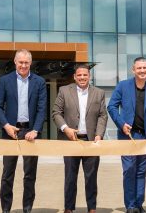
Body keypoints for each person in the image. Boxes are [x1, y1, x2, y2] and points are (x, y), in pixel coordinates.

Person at [107, 57, 146, 213]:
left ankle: (139, 204)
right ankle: (131, 206)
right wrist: (121, 123)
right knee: (129, 170)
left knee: (141, 171)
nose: (142, 70)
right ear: (133, 70)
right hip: (128, 136)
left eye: (144, 68)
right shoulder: (123, 86)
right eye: (139, 68)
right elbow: (112, 106)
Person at [0, 49, 46, 213]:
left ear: (30, 63)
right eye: (21, 62)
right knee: (7, 174)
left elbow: (42, 109)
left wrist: (36, 130)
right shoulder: (5, 80)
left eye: (26, 62)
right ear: (15, 62)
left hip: (31, 133)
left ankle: (27, 209)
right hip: (10, 132)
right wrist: (6, 126)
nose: (23, 65)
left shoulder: (39, 82)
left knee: (30, 175)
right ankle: (6, 209)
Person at [52, 64, 108, 213]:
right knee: (70, 177)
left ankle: (92, 208)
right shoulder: (64, 91)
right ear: (74, 77)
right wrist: (66, 129)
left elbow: (103, 115)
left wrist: (99, 134)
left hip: (91, 141)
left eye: (85, 75)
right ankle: (69, 208)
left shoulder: (99, 93)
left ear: (89, 76)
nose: (82, 77)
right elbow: (56, 112)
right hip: (71, 141)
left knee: (91, 178)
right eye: (79, 75)